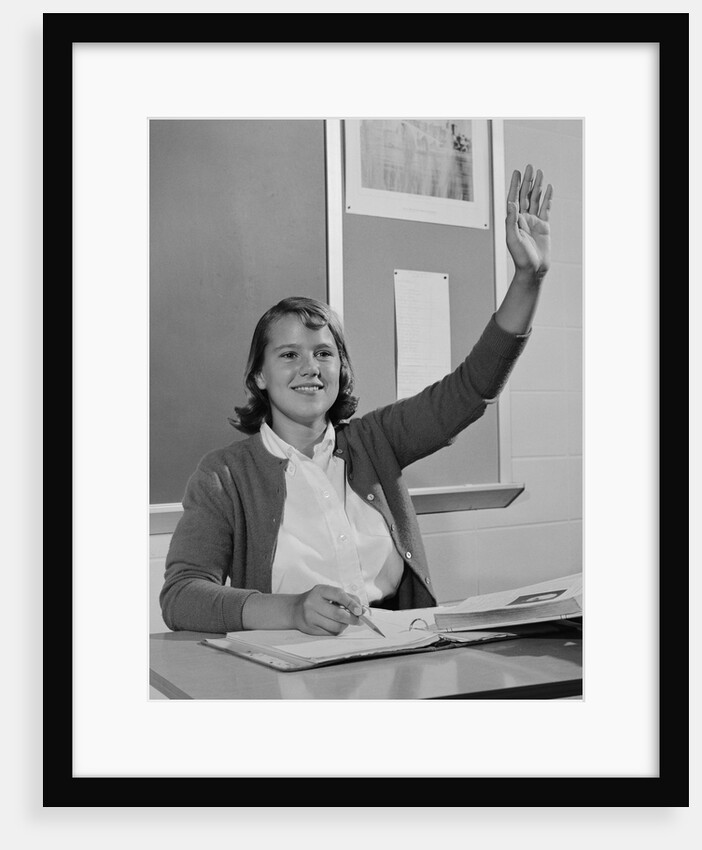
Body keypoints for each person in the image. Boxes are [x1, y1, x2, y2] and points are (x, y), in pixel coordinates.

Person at [160, 164, 554, 636]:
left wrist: (528, 278)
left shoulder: (376, 441)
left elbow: (471, 389)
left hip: (398, 655)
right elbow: (182, 595)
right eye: (289, 355)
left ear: (341, 368)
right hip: (292, 669)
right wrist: (289, 610)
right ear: (259, 375)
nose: (310, 367)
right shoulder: (224, 476)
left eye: (324, 353)